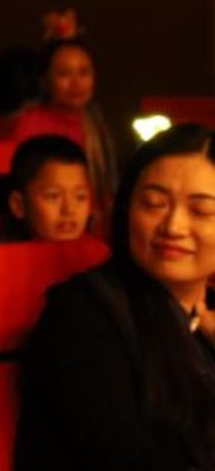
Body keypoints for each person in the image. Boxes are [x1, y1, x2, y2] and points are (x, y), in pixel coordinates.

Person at [15, 123, 215, 470]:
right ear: (125, 210)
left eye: (201, 211)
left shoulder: (204, 315)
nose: (173, 226)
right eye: (153, 204)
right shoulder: (83, 314)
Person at [12, 38, 118, 212]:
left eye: (84, 73)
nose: (76, 83)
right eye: (64, 74)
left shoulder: (95, 122)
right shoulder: (31, 123)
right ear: (45, 80)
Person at [4, 135, 93, 242]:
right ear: (18, 205)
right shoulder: (1, 251)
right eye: (53, 196)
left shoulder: (98, 250)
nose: (69, 210)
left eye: (80, 197)